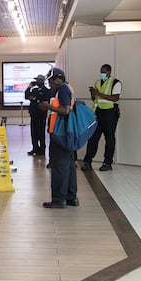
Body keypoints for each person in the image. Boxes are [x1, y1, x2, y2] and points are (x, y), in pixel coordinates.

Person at [38, 67, 78, 208]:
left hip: (61, 134)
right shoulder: (68, 88)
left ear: (58, 79)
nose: (50, 84)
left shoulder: (63, 90)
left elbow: (65, 110)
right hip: (66, 133)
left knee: (59, 166)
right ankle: (71, 197)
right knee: (69, 165)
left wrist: (47, 106)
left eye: (51, 81)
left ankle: (59, 199)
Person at [81, 64, 122, 172]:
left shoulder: (116, 82)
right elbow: (95, 99)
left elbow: (115, 98)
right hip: (98, 113)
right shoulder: (97, 82)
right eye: (101, 71)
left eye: (104, 71)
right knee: (93, 138)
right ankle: (87, 162)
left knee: (109, 138)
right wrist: (93, 94)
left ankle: (107, 163)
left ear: (109, 72)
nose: (102, 73)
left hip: (110, 114)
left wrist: (99, 93)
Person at [24, 74, 51, 156]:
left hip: (41, 115)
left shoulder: (47, 91)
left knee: (40, 132)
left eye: (39, 80)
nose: (37, 82)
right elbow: (27, 96)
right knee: (33, 132)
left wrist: (35, 99)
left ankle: (42, 149)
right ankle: (35, 148)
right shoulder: (34, 90)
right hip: (33, 113)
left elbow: (44, 101)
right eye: (36, 80)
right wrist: (29, 87)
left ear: (42, 81)